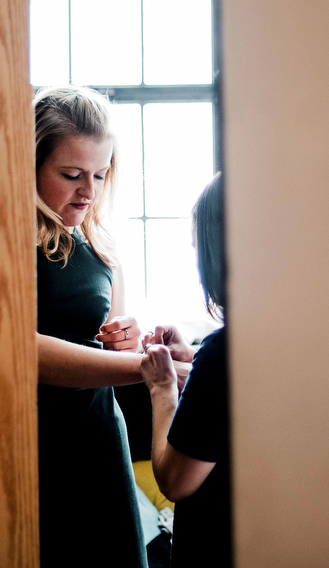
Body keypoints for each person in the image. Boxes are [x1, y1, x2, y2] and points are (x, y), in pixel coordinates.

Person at [33, 85, 190, 568]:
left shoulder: (101, 244)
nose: (89, 191)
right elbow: (18, 349)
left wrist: (131, 342)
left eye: (101, 175)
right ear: (27, 164)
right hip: (37, 439)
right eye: (71, 174)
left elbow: (109, 341)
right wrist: (144, 370)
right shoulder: (8, 234)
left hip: (99, 433)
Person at [140, 173, 232, 567]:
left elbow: (176, 481)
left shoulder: (221, 354)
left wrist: (163, 389)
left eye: (199, 249)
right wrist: (192, 358)